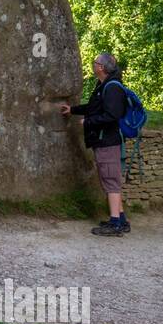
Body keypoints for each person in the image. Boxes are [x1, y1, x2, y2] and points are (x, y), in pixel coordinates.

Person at [59, 53, 130, 236]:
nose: (93, 65)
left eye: (95, 62)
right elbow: (94, 108)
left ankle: (115, 224)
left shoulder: (113, 88)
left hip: (107, 141)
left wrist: (88, 122)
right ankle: (121, 220)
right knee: (110, 179)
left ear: (102, 68)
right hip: (104, 140)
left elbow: (112, 116)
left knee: (110, 181)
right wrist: (73, 110)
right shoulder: (103, 85)